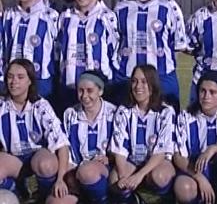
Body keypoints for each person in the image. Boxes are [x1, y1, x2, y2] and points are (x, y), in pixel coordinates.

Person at [114, 0, 187, 110]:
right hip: (127, 77)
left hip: (162, 77)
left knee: (167, 123)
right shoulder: (121, 7)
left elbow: (178, 45)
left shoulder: (169, 7)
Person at [0, 59, 70, 202]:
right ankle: (18, 192)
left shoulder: (41, 106)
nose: (14, 82)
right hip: (14, 160)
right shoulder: (2, 105)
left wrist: (61, 179)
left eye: (20, 77)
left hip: (37, 159)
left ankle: (44, 195)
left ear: (30, 81)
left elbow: (62, 144)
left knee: (46, 164)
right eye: (10, 76)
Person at [173, 71, 217, 204]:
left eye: (213, 92)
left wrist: (213, 149)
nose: (206, 96)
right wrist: (199, 177)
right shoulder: (186, 116)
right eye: (203, 91)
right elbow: (178, 156)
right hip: (195, 168)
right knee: (183, 187)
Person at [46, 70, 116, 204]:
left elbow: (122, 147)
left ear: (100, 91)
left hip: (103, 171)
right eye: (80, 91)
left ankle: (103, 199)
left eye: (90, 91)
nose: (84, 96)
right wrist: (64, 177)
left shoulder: (114, 113)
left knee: (87, 172)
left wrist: (110, 157)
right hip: (76, 171)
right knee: (53, 202)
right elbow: (65, 147)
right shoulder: (70, 114)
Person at [110, 64, 176, 203]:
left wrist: (139, 175)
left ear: (153, 86)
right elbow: (119, 147)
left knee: (160, 176)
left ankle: (164, 198)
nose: (138, 86)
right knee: (114, 181)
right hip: (133, 160)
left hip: (157, 162)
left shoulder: (166, 112)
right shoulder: (124, 111)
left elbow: (161, 152)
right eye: (134, 81)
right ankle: (134, 199)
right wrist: (123, 176)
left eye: (144, 81)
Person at [58, 0, 120, 111]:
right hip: (70, 88)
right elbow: (58, 50)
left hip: (100, 88)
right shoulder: (65, 17)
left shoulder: (107, 17)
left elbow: (116, 52)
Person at [2, 0, 59, 99]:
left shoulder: (51, 17)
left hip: (41, 83)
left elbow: (58, 52)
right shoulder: (9, 16)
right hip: (13, 82)